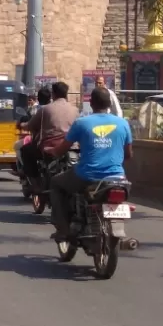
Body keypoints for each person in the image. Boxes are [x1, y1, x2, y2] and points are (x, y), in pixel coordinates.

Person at [49, 85, 133, 241]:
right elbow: (128, 154)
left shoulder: (82, 123)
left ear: (91, 103)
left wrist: (53, 152)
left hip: (87, 175)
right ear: (109, 104)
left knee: (56, 183)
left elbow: (62, 150)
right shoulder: (123, 124)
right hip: (118, 178)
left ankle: (63, 229)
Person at [21, 82, 78, 184]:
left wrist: (21, 125)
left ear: (54, 94)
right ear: (66, 94)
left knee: (25, 150)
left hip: (49, 147)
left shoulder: (45, 109)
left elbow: (30, 125)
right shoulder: (75, 110)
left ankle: (35, 183)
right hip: (71, 146)